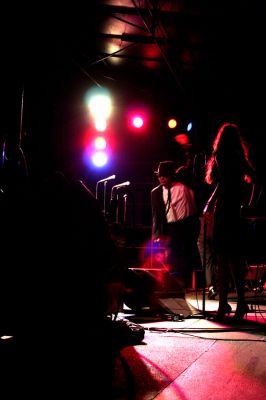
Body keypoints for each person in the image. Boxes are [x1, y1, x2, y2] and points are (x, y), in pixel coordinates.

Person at [205, 122, 255, 321]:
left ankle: (224, 305)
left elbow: (221, 182)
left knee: (224, 259)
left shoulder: (222, 157)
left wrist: (211, 203)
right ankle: (238, 303)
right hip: (234, 209)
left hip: (226, 209)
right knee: (233, 259)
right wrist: (251, 204)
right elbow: (256, 179)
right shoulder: (238, 157)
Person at [151, 160, 202, 292]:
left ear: (171, 176)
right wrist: (156, 235)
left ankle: (182, 284)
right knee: (169, 258)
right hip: (168, 228)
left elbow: (192, 210)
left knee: (182, 258)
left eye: (165, 176)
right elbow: (156, 215)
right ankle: (173, 285)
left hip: (184, 227)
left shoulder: (183, 188)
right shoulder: (155, 193)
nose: (161, 178)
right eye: (160, 176)